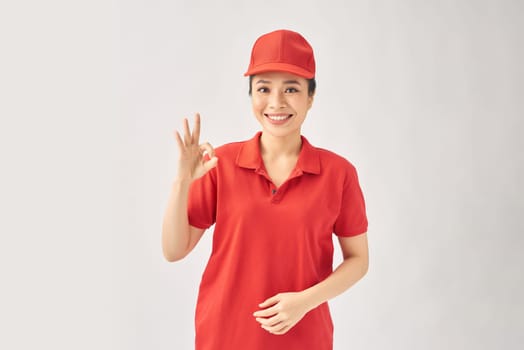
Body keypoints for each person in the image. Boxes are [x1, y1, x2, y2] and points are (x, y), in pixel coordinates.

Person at [162, 29, 369, 350]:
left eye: (291, 88)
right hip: (224, 336)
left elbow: (358, 260)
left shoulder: (338, 173)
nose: (276, 103)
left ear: (311, 97)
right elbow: (174, 250)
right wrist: (181, 182)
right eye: (263, 88)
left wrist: (304, 301)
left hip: (305, 338)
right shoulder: (221, 163)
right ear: (251, 95)